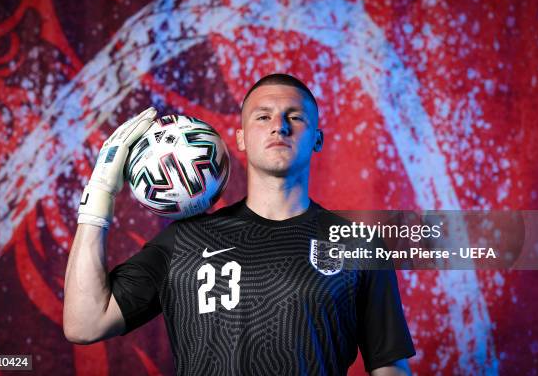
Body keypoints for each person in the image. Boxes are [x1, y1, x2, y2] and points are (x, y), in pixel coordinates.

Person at [63, 74, 416, 375]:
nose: (279, 125)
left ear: (317, 139)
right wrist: (99, 194)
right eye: (263, 117)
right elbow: (84, 323)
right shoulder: (184, 241)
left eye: (295, 117)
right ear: (242, 138)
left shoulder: (358, 244)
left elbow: (388, 367)